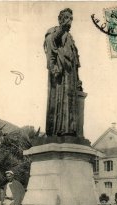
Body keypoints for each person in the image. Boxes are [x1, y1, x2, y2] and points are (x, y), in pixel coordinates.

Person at [44, 8, 83, 136]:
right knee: (61, 100)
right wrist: (62, 28)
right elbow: (51, 42)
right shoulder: (54, 31)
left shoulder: (70, 38)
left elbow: (75, 60)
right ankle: (59, 130)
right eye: (66, 18)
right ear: (60, 19)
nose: (70, 21)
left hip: (70, 74)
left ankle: (69, 130)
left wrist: (77, 79)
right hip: (60, 75)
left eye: (71, 18)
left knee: (70, 102)